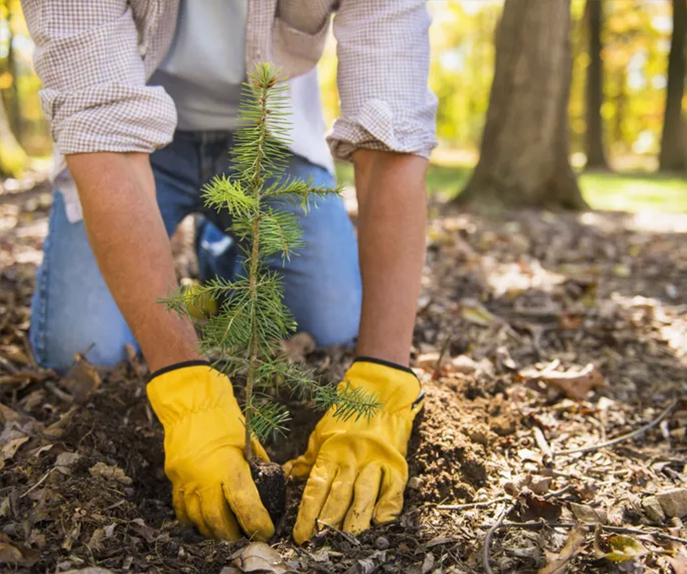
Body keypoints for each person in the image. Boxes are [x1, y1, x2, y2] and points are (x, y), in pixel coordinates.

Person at [22, 0, 436, 544]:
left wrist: (385, 375)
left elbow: (394, 134)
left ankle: (226, 264)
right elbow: (103, 131)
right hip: (128, 135)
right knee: (81, 349)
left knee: (333, 323)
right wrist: (182, 383)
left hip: (271, 134)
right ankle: (211, 272)